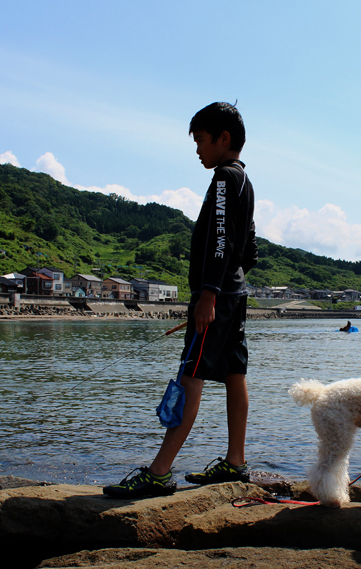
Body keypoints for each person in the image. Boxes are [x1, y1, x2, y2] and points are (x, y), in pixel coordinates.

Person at [104, 102, 257, 499]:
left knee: (191, 376)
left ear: (224, 138)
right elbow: (249, 250)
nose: (197, 150)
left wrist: (209, 293)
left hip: (216, 298)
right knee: (234, 374)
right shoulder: (245, 180)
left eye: (201, 140)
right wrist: (228, 287)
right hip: (234, 295)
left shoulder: (224, 177)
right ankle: (235, 462)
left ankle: (158, 472)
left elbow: (220, 239)